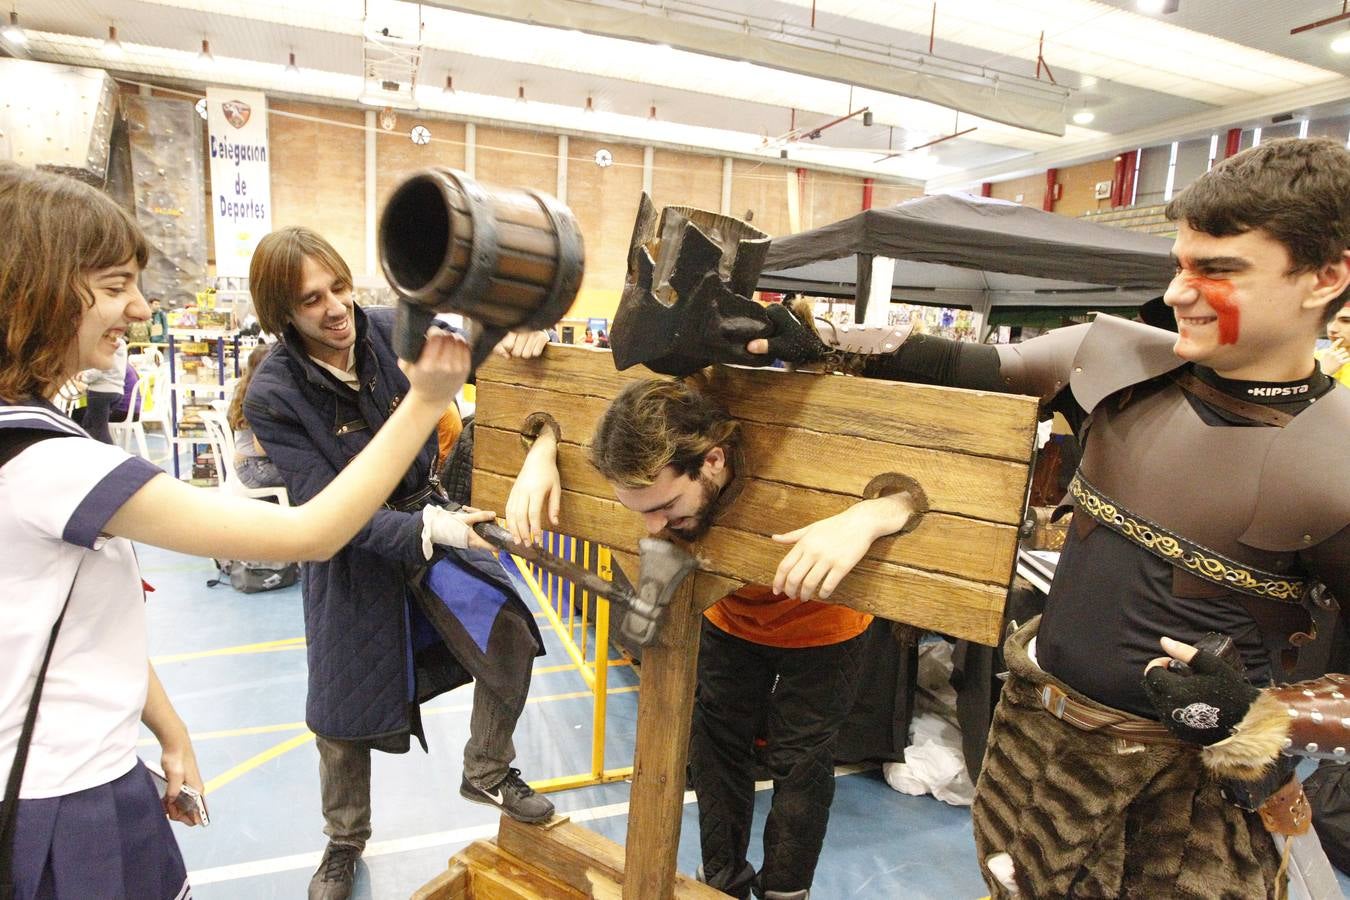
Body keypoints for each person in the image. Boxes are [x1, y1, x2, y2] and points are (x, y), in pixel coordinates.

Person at [738, 137, 1350, 897]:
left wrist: (1261, 716)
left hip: (1187, 811)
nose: (1181, 293)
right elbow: (953, 367)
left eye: (1220, 271)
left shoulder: (1339, 460)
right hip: (1030, 756)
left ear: (1324, 279)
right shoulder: (1117, 361)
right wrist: (811, 339)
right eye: (1182, 264)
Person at [0, 164, 474, 900]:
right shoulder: (49, 467)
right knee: (341, 717)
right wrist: (427, 401)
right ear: (41, 288)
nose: (138, 309)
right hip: (62, 799)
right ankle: (343, 841)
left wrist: (167, 727)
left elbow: (63, 631)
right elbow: (315, 530)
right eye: (117, 284)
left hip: (92, 766)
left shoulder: (34, 441)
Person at [242, 226, 557, 900]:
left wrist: (527, 335)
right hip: (349, 550)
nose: (333, 309)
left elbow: (489, 348)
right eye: (310, 300)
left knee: (509, 633)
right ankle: (342, 842)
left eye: (339, 287)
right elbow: (333, 511)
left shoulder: (393, 328)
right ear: (282, 314)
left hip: (431, 513)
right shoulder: (274, 394)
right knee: (340, 715)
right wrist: (433, 528)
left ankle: (488, 769)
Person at [512, 376, 915, 900]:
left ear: (714, 462)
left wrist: (876, 513)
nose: (656, 527)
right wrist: (542, 445)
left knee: (801, 760)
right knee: (717, 746)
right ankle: (723, 884)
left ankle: (787, 893)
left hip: (826, 623)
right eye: (642, 511)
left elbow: (923, 489)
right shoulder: (657, 463)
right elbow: (549, 407)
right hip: (728, 613)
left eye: (667, 505)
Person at [225, 343, 284, 490]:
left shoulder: (244, 388)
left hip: (244, 465)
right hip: (255, 467)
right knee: (309, 475)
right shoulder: (262, 396)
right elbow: (261, 449)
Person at [72, 335, 127, 443]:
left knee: (98, 431)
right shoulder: (121, 343)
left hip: (100, 392)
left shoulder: (103, 342)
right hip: (117, 390)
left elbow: (98, 370)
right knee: (89, 426)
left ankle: (111, 455)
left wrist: (83, 376)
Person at [1317, 299, 1349, 388]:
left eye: (1346, 321)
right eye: (1329, 319)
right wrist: (1323, 373)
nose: (1332, 329)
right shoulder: (1312, 359)